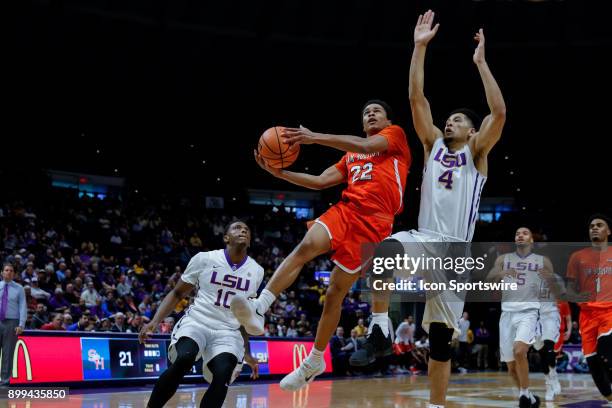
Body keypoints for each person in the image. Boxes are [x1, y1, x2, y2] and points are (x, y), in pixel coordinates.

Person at [350, 10, 506, 408]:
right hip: (423, 238)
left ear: (472, 130)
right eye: (448, 119)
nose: (449, 123)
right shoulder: (431, 144)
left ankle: (436, 405)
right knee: (384, 253)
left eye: (457, 120)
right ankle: (380, 328)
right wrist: (419, 48)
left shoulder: (478, 152)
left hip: (456, 252)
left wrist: (482, 64)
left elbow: (499, 114)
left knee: (440, 342)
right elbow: (416, 97)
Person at [230, 99, 411, 390]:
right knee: (304, 247)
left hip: (374, 223)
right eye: (366, 112)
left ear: (387, 121)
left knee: (335, 291)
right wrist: (279, 174)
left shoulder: (395, 137)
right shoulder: (351, 154)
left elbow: (366, 146)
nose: (370, 114)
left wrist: (314, 137)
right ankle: (259, 307)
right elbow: (320, 181)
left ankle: (314, 360)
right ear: (362, 123)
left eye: (376, 111)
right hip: (346, 210)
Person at [139, 221, 262, 408]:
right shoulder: (205, 258)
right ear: (226, 237)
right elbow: (177, 293)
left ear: (250, 241)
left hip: (228, 331)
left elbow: (244, 315)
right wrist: (154, 322)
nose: (243, 230)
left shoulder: (257, 271)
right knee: (184, 359)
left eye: (247, 229)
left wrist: (247, 353)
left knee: (223, 374)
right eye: (237, 228)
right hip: (198, 321)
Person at [488, 227, 552, 407]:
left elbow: (552, 287)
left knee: (519, 351)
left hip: (529, 312)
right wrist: (500, 274)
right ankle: (530, 397)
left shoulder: (542, 261)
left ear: (531, 239)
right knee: (510, 368)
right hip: (507, 313)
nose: (520, 235)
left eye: (524, 233)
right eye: (517, 233)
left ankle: (523, 394)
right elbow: (488, 278)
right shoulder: (503, 259)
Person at [566, 214, 612, 403]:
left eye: (599, 225)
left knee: (607, 351)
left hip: (609, 312)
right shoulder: (577, 257)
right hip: (587, 315)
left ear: (608, 231)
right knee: (593, 363)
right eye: (592, 225)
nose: (594, 228)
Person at [0, 263, 26, 386]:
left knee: (8, 353)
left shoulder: (19, 288)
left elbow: (22, 307)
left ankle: (4, 382)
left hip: (12, 323)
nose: (9, 272)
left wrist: (21, 325)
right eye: (6, 270)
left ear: (14, 274)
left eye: (11, 270)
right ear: (2, 273)